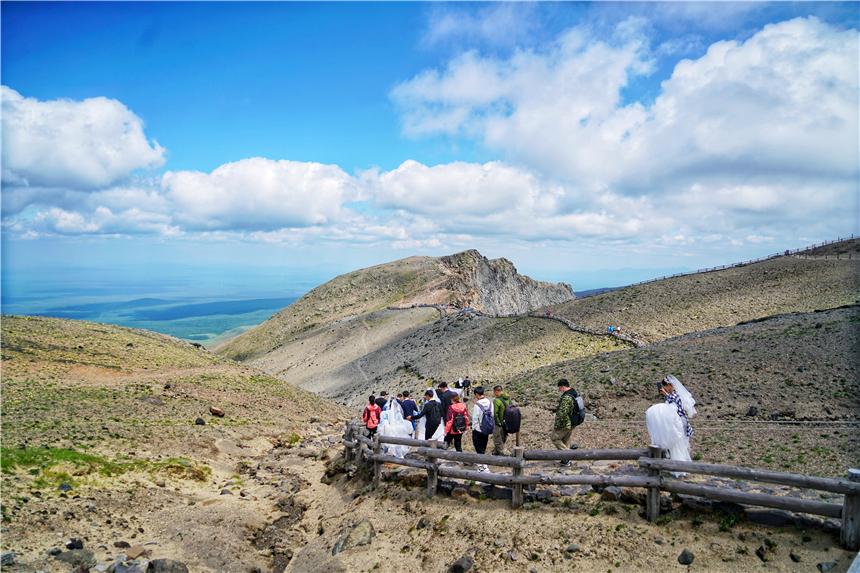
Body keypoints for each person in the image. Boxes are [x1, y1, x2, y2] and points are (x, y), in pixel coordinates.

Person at [646, 375, 697, 466]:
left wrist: (666, 395)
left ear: (670, 385)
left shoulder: (674, 395)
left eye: (665, 386)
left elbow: (673, 407)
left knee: (679, 443)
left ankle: (680, 465)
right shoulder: (672, 395)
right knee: (679, 444)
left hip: (679, 421)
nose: (664, 388)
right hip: (679, 420)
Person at [552, 379, 583, 467]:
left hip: (566, 423)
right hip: (573, 422)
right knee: (565, 440)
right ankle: (565, 461)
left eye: (559, 388)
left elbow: (562, 413)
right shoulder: (574, 393)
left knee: (554, 438)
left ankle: (568, 456)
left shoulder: (566, 397)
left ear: (563, 386)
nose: (559, 390)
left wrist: (558, 424)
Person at [470, 386, 493, 472]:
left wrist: (474, 428)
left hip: (478, 430)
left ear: (476, 394)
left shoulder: (477, 405)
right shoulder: (490, 403)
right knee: (483, 447)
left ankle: (482, 466)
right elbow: (492, 415)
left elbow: (475, 419)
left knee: (478, 447)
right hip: (487, 429)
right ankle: (484, 465)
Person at [492, 385, 511, 455]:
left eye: (494, 392)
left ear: (497, 391)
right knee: (503, 437)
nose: (494, 394)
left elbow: (495, 413)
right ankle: (496, 452)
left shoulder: (496, 400)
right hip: (507, 422)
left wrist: (498, 423)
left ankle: (503, 454)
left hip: (500, 423)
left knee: (497, 438)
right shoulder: (507, 398)